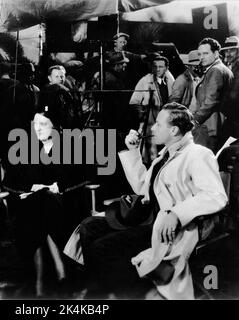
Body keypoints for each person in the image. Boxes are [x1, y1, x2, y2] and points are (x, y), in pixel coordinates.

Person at [79, 102, 227, 299]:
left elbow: (215, 195)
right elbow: (142, 187)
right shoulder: (165, 155)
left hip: (172, 226)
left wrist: (177, 214)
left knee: (103, 247)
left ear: (173, 130)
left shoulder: (198, 155)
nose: (152, 128)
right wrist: (132, 151)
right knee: (88, 226)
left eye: (158, 124)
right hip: (149, 217)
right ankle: (100, 287)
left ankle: (111, 293)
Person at [3, 101, 88, 298]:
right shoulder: (25, 148)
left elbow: (82, 176)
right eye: (35, 124)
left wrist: (58, 187)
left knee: (45, 202)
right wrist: (32, 188)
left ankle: (41, 279)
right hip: (32, 206)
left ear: (56, 126)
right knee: (39, 203)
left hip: (65, 206)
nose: (37, 129)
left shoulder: (72, 146)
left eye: (44, 124)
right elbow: (10, 181)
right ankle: (60, 272)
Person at [129, 55, 175, 163]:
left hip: (166, 122)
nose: (157, 69)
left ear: (166, 68)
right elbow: (134, 102)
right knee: (150, 154)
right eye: (155, 66)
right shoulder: (145, 81)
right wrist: (143, 116)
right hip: (150, 122)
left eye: (161, 66)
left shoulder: (170, 81)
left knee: (165, 152)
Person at [193, 38, 233, 152]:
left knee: (201, 162)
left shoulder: (215, 70)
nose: (201, 57)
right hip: (217, 125)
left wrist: (195, 120)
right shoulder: (223, 69)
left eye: (205, 53)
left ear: (216, 53)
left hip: (208, 127)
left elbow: (211, 100)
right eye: (199, 54)